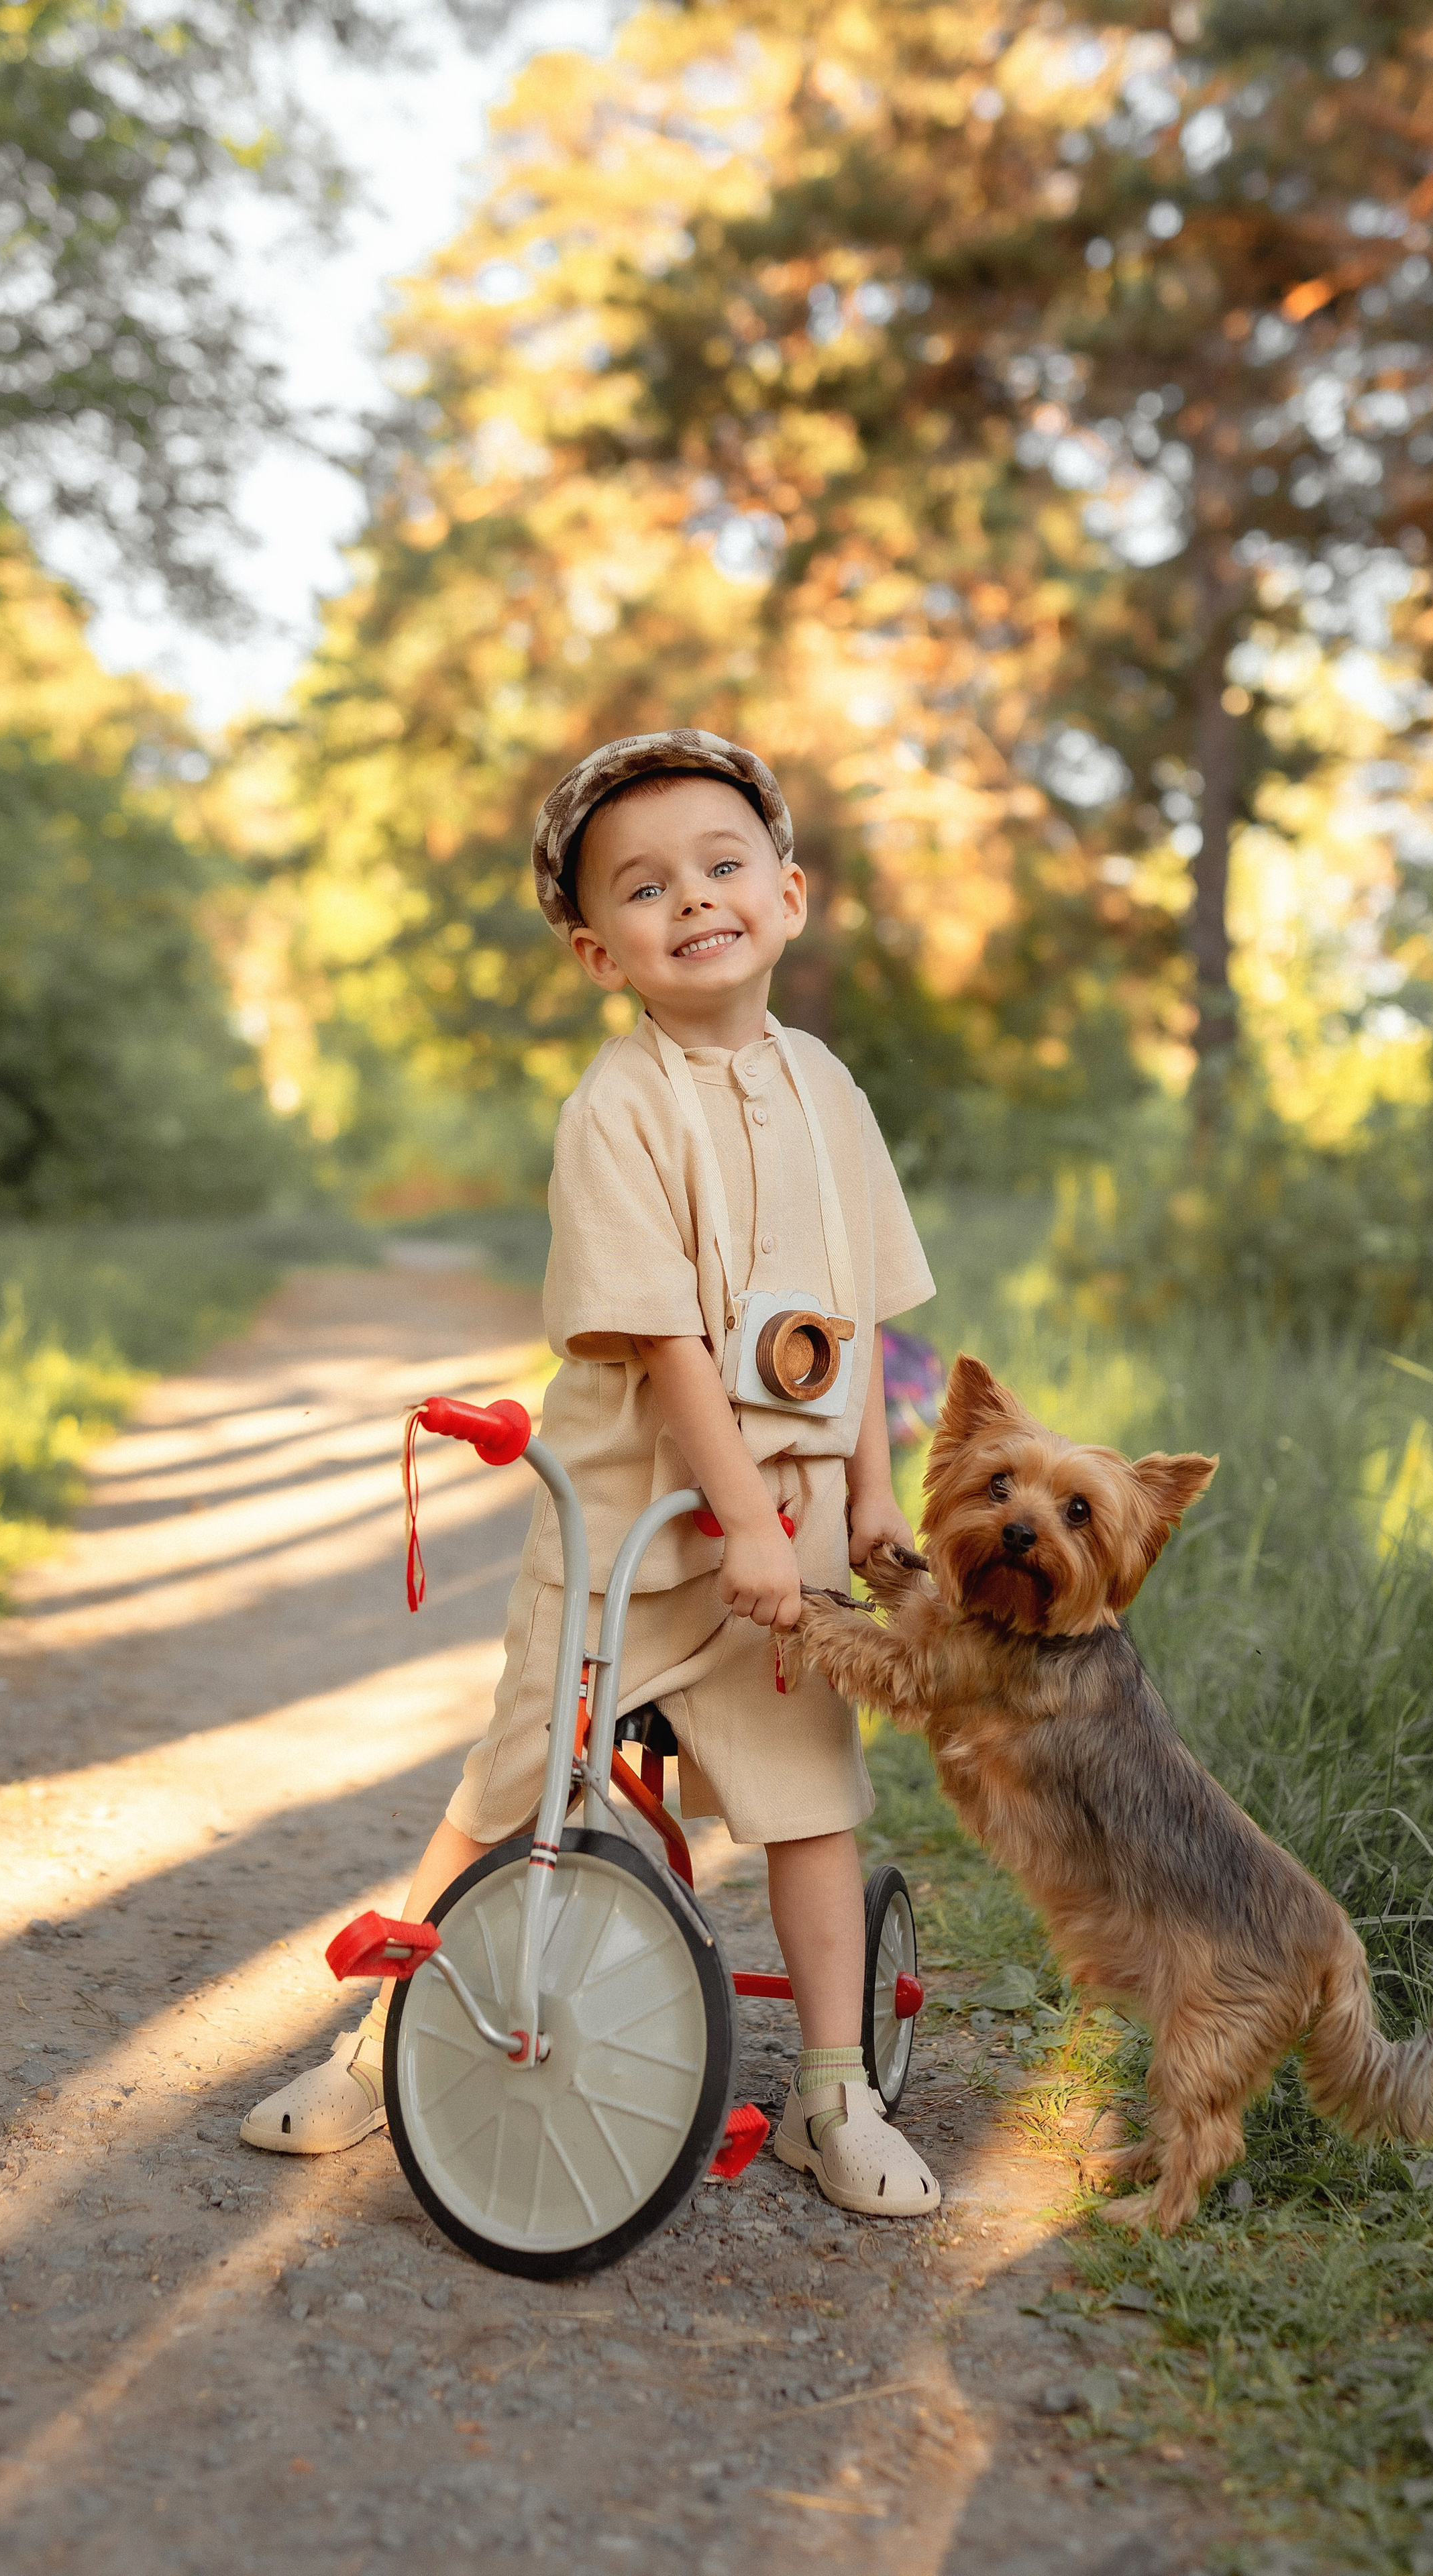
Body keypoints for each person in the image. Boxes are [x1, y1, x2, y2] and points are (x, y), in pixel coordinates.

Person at [241, 731, 941, 2213]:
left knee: (812, 1797)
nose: (691, 898)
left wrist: (871, 1495)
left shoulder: (828, 1089)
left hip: (791, 1531)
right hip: (637, 1524)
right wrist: (736, 1516)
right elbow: (671, 1341)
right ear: (593, 948)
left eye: (722, 864)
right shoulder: (616, 1108)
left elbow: (856, 1311)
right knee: (514, 1777)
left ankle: (830, 2089)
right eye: (642, 886)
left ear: (790, 894)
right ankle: (386, 2044)